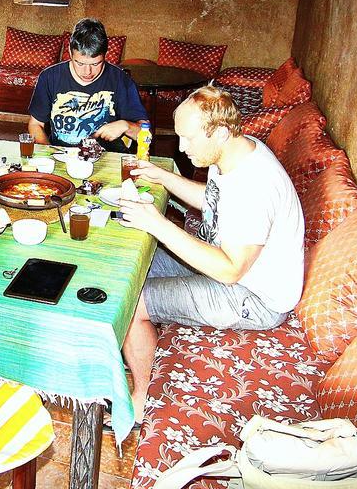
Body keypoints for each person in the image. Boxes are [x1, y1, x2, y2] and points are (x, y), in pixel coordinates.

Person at [116, 85, 305, 421]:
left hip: (254, 298)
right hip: (228, 265)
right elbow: (215, 200)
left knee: (131, 303)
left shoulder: (255, 185)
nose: (181, 147)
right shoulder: (236, 151)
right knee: (130, 263)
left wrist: (157, 224)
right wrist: (165, 176)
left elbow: (230, 270)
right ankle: (127, 353)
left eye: (188, 139)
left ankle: (142, 399)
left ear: (218, 132)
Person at [27, 18, 148, 151]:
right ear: (70, 52)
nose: (87, 72)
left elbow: (146, 135)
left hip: (107, 160)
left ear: (105, 55)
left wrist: (126, 126)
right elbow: (35, 124)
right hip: (60, 156)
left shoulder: (120, 80)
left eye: (95, 64)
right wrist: (49, 153)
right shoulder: (49, 77)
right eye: (80, 63)